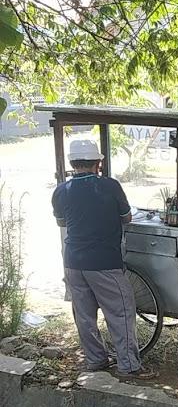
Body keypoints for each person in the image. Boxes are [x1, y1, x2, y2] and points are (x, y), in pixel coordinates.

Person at [52, 138, 156, 380]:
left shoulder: (61, 191)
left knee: (84, 314)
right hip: (104, 262)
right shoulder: (110, 186)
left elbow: (61, 222)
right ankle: (129, 365)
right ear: (98, 163)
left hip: (73, 262)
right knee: (121, 311)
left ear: (72, 163)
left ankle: (96, 359)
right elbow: (127, 217)